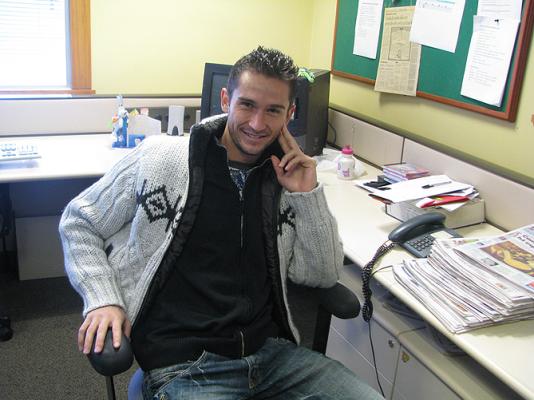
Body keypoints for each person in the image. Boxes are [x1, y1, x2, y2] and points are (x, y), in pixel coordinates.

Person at [59, 46, 382, 400]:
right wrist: (103, 298)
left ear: (290, 113)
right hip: (184, 364)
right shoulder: (161, 159)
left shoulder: (287, 180)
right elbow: (80, 220)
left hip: (272, 356)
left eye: (273, 110)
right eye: (247, 105)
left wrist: (308, 196)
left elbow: (321, 275)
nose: (257, 124)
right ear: (226, 99)